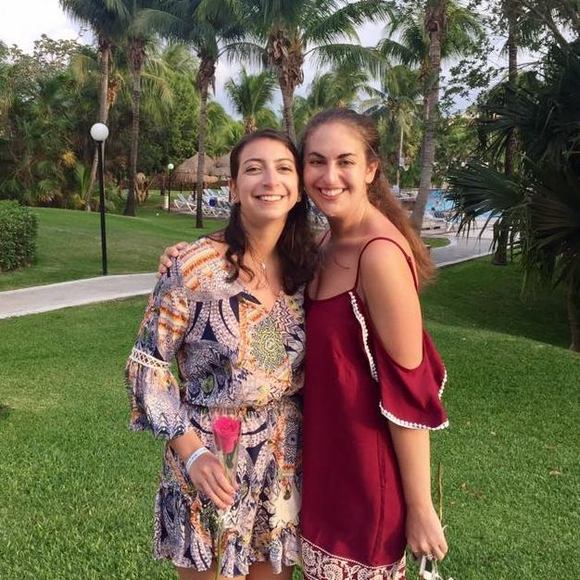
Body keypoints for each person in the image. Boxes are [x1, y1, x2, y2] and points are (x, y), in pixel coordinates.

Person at [159, 109, 449, 579]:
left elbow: (410, 392)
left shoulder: (379, 255)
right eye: (316, 161)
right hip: (305, 464)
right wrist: (186, 259)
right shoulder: (316, 251)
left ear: (371, 169)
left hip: (361, 473)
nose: (329, 176)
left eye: (345, 161)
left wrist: (420, 506)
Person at [126, 128, 317, 580]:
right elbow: (147, 365)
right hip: (209, 458)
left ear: (298, 190)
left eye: (283, 168)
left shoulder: (309, 268)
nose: (269, 180)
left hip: (280, 459)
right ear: (233, 188)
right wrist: (192, 454)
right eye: (253, 169)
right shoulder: (195, 266)